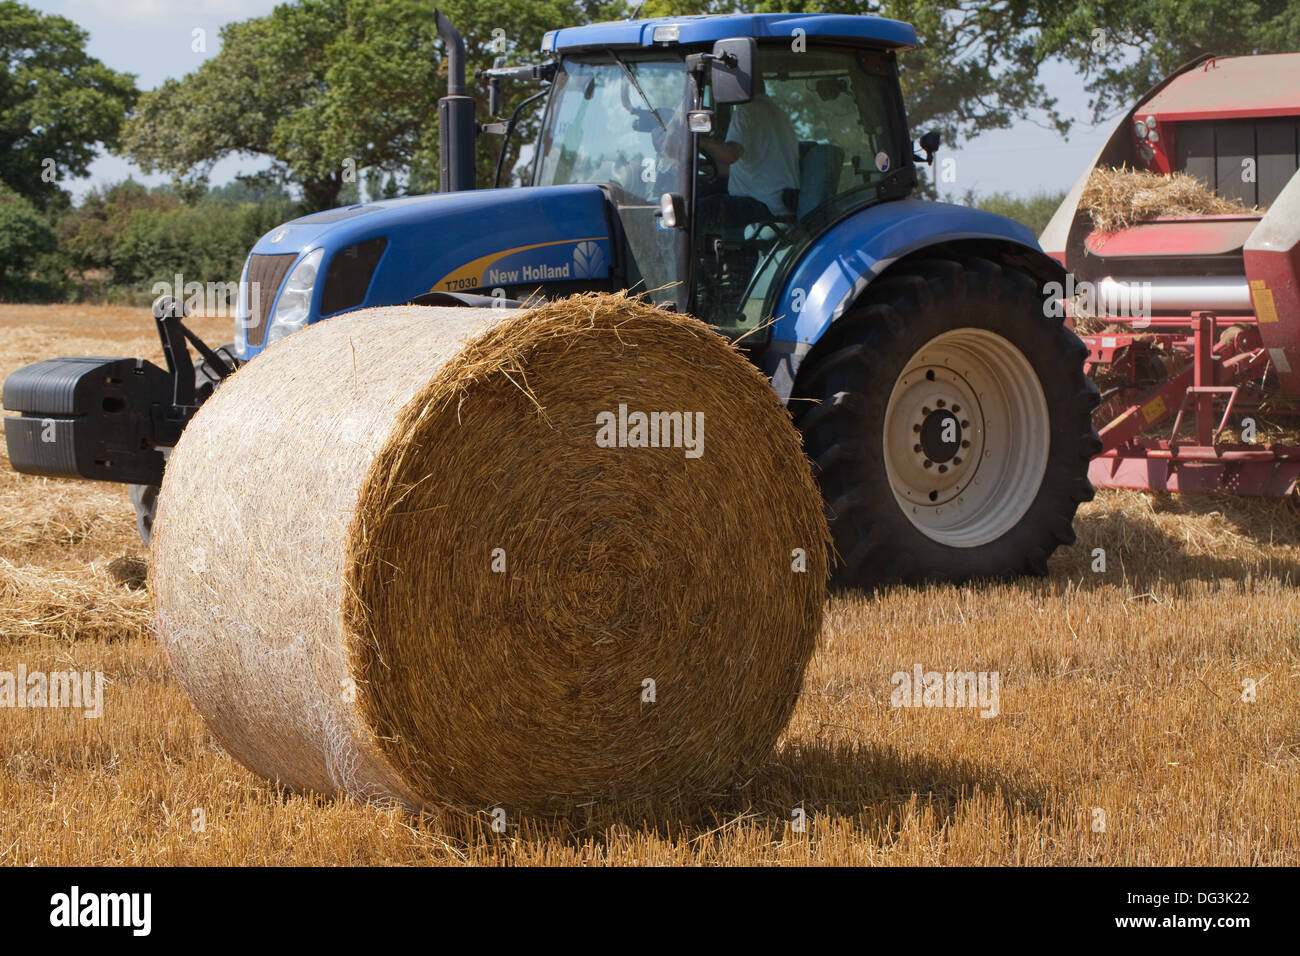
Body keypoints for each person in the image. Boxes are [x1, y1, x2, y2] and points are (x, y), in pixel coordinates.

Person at [699, 86, 801, 222]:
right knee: (700, 186)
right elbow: (748, 168)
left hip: (764, 207)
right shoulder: (776, 112)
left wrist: (699, 141)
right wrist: (701, 167)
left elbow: (729, 155)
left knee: (694, 211)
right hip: (776, 204)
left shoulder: (746, 111)